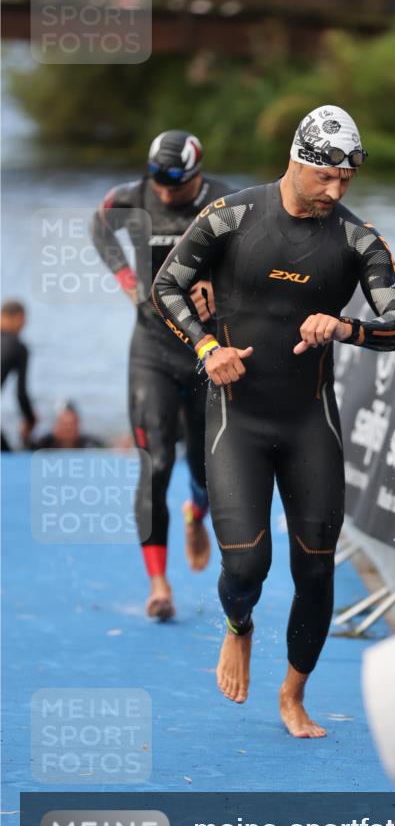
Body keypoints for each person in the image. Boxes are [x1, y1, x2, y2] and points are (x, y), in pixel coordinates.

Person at [153, 105, 395, 737]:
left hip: (309, 424)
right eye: (326, 177)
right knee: (245, 568)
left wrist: (347, 326)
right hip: (237, 420)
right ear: (298, 159)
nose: (336, 191)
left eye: (347, 181)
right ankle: (239, 628)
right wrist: (207, 348)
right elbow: (166, 287)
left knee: (316, 568)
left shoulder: (357, 240)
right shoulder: (229, 217)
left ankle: (294, 694)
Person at [91, 130, 234, 621]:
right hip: (151, 347)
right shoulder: (132, 197)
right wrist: (128, 281)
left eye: (177, 185)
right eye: (160, 183)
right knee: (154, 464)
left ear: (197, 174)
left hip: (203, 350)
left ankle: (197, 513)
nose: (167, 193)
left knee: (202, 467)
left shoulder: (226, 201)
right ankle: (159, 584)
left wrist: (221, 284)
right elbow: (98, 225)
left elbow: (257, 258)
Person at [1, 300, 36, 451]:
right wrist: (30, 419)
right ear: (19, 318)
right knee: (7, 461)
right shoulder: (18, 347)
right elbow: (21, 394)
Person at [33, 400, 102, 449]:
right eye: (64, 425)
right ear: (55, 426)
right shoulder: (44, 444)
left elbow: (107, 448)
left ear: (78, 425)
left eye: (71, 425)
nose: (68, 430)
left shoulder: (88, 443)